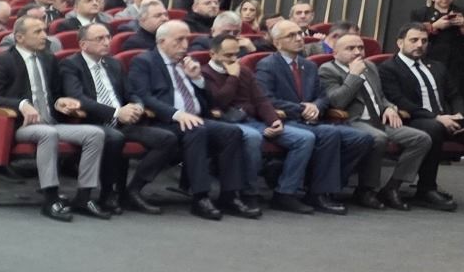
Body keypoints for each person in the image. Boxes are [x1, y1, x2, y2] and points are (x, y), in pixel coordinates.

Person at [0, 13, 107, 220]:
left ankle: (84, 197)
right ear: (19, 37)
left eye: (44, 31)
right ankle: (50, 198)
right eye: (37, 32)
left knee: (95, 134)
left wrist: (61, 102)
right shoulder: (3, 60)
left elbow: (55, 94)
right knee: (48, 134)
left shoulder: (48, 59)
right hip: (20, 125)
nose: (44, 36)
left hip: (51, 121)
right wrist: (21, 105)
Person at [126, 20, 254, 220]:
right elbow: (143, 96)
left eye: (186, 39)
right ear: (162, 41)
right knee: (196, 130)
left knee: (232, 132)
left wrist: (197, 80)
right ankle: (200, 197)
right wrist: (177, 114)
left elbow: (209, 102)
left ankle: (230, 195)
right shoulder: (145, 61)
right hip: (164, 120)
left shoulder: (186, 62)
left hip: (195, 117)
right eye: (179, 40)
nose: (185, 45)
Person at [377, 23, 464, 214]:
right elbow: (401, 102)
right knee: (434, 127)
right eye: (414, 40)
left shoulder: (437, 66)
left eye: (424, 41)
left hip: (446, 120)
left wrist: (459, 115)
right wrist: (437, 118)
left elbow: (454, 95)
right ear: (400, 43)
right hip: (413, 120)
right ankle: (426, 189)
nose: (420, 45)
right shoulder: (388, 68)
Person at [55, 22, 177, 214]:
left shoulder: (114, 64)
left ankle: (133, 190)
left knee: (167, 138)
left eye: (108, 37)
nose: (106, 42)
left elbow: (131, 93)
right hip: (92, 122)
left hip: (122, 122)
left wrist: (137, 106)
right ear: (83, 44)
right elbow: (78, 98)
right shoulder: (71, 64)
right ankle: (108, 194)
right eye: (100, 39)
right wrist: (115, 112)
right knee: (115, 137)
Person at [256, 19, 366, 213]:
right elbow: (266, 99)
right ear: (277, 42)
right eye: (291, 35)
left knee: (361, 138)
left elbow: (323, 97)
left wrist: (316, 106)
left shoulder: (309, 65)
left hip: (310, 120)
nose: (299, 38)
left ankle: (325, 185)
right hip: (284, 120)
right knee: (330, 134)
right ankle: (311, 193)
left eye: (300, 33)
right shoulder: (267, 65)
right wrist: (301, 109)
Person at [319, 30, 437, 209]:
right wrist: (354, 76)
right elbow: (337, 102)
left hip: (378, 120)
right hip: (352, 121)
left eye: (360, 48)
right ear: (335, 53)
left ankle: (392, 187)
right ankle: (366, 190)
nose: (357, 52)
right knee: (379, 138)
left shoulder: (370, 66)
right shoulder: (328, 70)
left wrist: (389, 107)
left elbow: (380, 96)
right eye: (350, 48)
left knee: (421, 139)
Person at [200, 31, 317, 213]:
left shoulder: (244, 71)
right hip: (227, 123)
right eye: (228, 55)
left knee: (305, 138)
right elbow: (219, 102)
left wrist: (274, 121)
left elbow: (261, 99)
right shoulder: (205, 74)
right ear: (213, 54)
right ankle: (249, 193)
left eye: (236, 54)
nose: (234, 59)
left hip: (254, 120)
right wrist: (232, 77)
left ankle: (285, 193)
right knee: (253, 137)